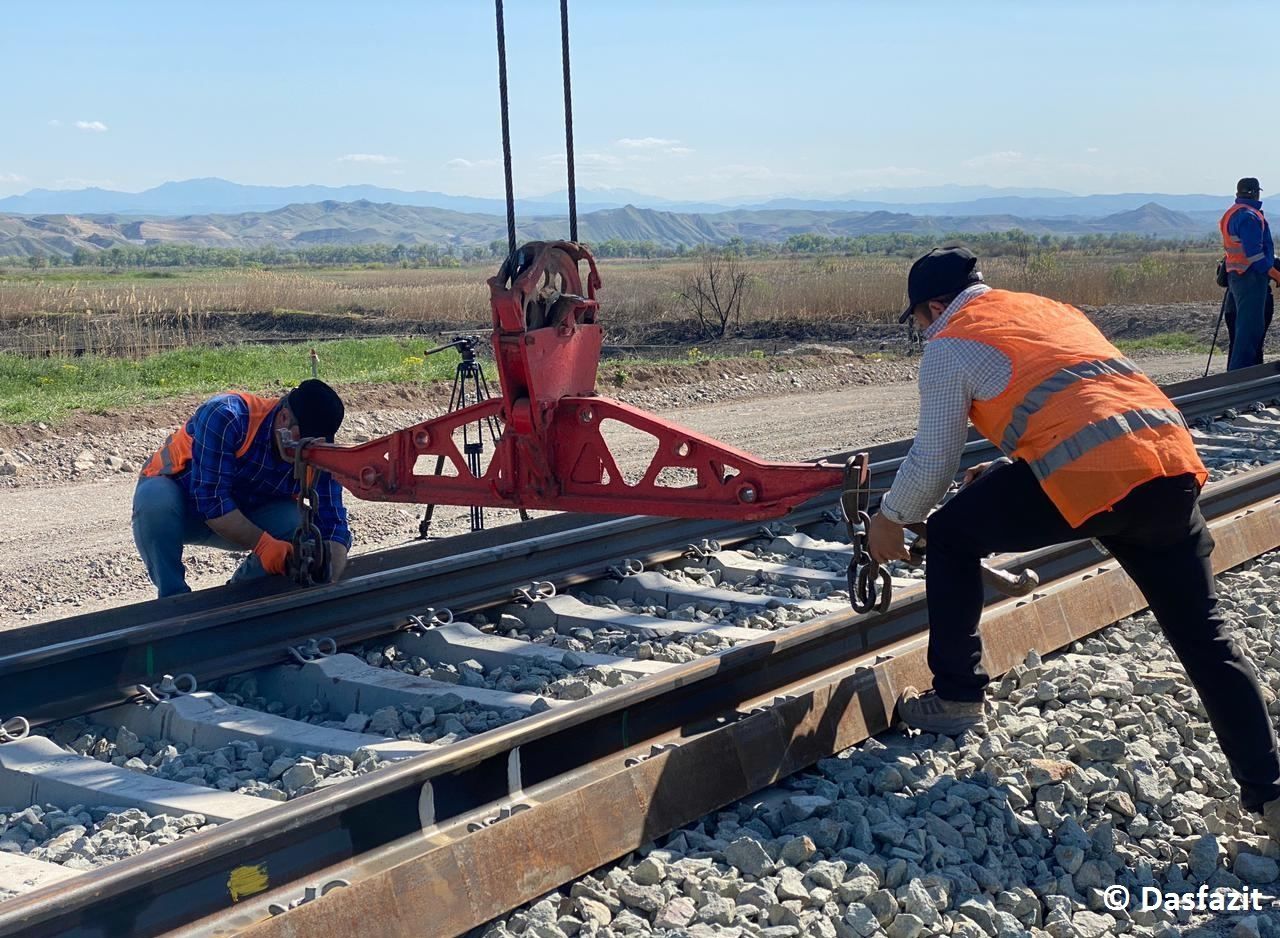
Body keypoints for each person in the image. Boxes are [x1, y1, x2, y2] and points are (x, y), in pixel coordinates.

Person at [866, 245, 1280, 834]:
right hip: (1168, 466)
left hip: (1094, 479)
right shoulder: (1049, 310)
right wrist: (1016, 468)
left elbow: (933, 459)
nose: (923, 331)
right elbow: (1079, 403)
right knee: (1206, 639)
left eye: (919, 321)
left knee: (953, 531)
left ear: (935, 306)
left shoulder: (950, 342)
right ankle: (1271, 795)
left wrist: (891, 517)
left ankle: (956, 697)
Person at [132, 379, 352, 598]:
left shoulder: (318, 453)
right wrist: (265, 546)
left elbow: (333, 524)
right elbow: (211, 501)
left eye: (314, 444)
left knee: (298, 525)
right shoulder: (228, 416)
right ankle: (174, 599)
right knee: (155, 501)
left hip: (241, 517)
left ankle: (238, 596)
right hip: (182, 509)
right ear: (284, 417)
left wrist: (329, 579)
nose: (304, 451)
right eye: (300, 441)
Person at [1220, 177, 1276, 370]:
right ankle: (1242, 381)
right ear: (1255, 193)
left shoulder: (1232, 213)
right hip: (1251, 278)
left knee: (1242, 330)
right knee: (1249, 332)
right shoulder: (1249, 216)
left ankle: (1237, 377)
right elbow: (1255, 255)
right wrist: (1275, 274)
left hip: (1237, 276)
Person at [1223, 257, 1279, 368]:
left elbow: (1221, 277)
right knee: (1255, 344)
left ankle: (1231, 378)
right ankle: (1253, 378)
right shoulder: (1266, 259)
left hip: (1232, 306)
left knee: (1235, 345)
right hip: (1258, 306)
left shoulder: (1231, 258)